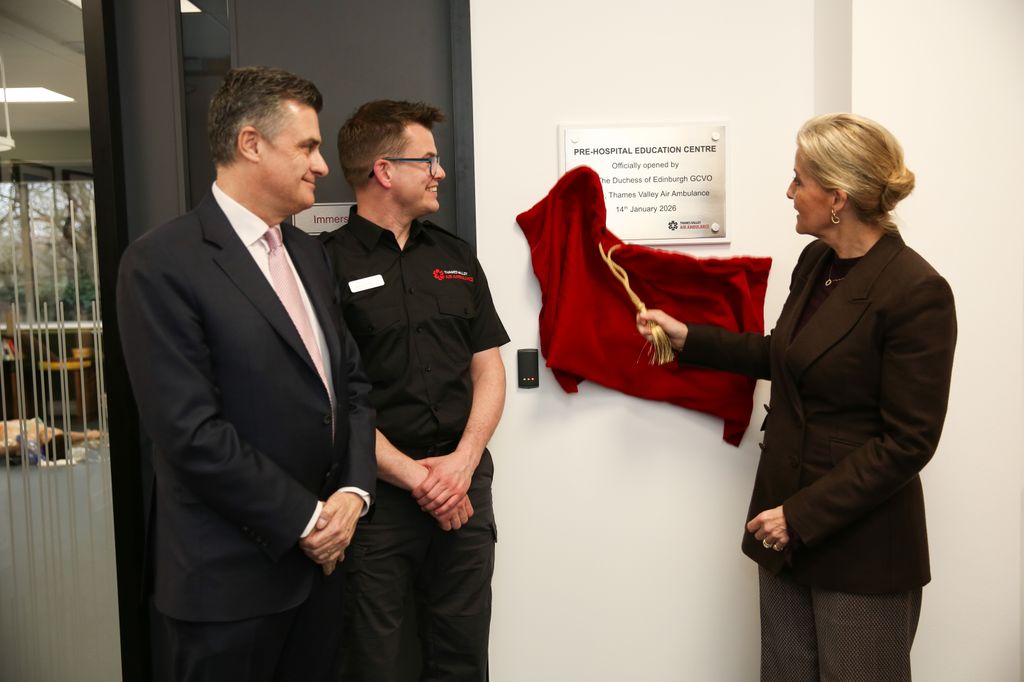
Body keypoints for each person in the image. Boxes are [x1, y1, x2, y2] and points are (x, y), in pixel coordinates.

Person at [638, 113, 956, 681]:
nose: (789, 193)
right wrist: (690, 337)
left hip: (858, 543)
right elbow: (790, 357)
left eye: (798, 180)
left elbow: (909, 441)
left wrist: (800, 517)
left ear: (838, 196)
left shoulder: (915, 290)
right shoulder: (817, 264)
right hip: (782, 528)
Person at [117, 66, 376, 682]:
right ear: (251, 143)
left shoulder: (309, 254)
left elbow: (352, 388)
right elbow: (189, 433)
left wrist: (353, 493)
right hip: (226, 589)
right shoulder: (161, 263)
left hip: (321, 575)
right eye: (308, 147)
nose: (321, 166)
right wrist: (307, 519)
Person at [321, 100, 508, 681]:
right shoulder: (321, 265)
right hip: (377, 501)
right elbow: (328, 397)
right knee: (377, 663)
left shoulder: (454, 255)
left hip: (463, 492)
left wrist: (461, 464)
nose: (439, 172)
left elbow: (490, 368)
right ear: (384, 170)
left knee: (463, 657)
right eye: (426, 159)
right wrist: (416, 477)